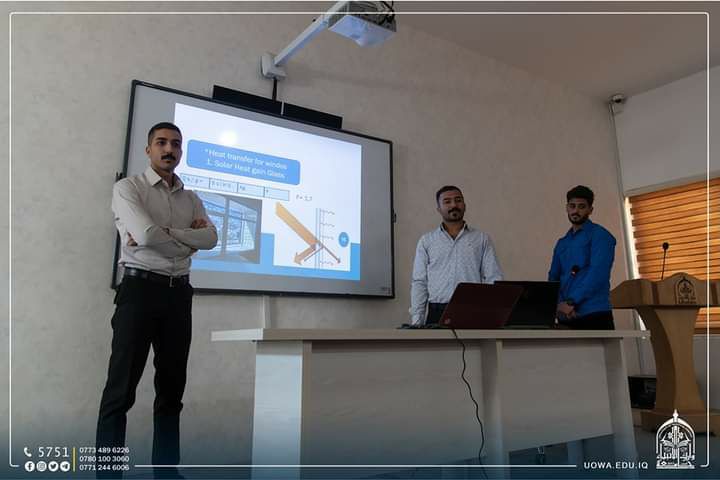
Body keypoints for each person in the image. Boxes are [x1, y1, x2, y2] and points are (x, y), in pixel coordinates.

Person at [96, 122, 218, 478]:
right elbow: (146, 236)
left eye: (176, 144)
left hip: (178, 294)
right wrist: (187, 238)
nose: (169, 149)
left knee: (171, 392)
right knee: (120, 393)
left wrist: (166, 234)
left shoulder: (191, 198)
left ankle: (166, 472)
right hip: (139, 292)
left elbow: (211, 239)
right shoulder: (128, 188)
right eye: (161, 143)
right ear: (148, 149)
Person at [409, 185, 503, 325]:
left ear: (464, 205)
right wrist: (417, 320)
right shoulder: (427, 241)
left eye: (458, 200)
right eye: (447, 202)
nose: (454, 205)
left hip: (473, 311)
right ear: (439, 209)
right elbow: (420, 282)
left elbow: (493, 278)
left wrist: (494, 315)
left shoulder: (481, 239)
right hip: (437, 313)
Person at [548, 185, 616, 329]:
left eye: (581, 206)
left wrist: (571, 302)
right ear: (566, 208)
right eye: (572, 206)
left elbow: (598, 274)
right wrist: (559, 305)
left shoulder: (601, 236)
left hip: (594, 313)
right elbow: (553, 277)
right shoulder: (562, 243)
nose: (576, 211)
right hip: (566, 315)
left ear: (590, 210)